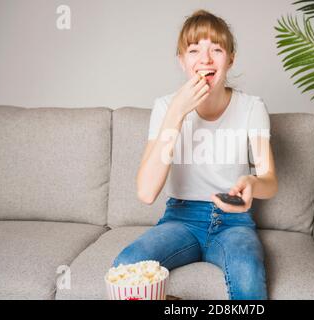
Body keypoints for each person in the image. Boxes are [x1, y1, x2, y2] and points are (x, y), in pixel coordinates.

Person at [112, 9, 278, 300]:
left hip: (233, 222)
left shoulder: (252, 107)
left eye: (216, 49)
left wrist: (252, 183)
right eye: (194, 50)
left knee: (248, 275)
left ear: (230, 59)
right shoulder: (166, 107)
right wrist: (177, 111)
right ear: (181, 61)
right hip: (180, 218)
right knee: (126, 266)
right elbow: (146, 192)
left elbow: (269, 180)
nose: (205, 59)